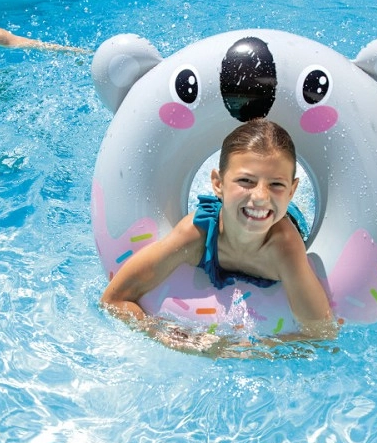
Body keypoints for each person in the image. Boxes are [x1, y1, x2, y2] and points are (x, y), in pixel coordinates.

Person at [101, 118, 336, 347]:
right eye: (246, 180)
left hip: (283, 217)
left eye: (276, 184)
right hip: (234, 212)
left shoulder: (285, 250)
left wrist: (241, 350)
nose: (260, 196)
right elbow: (114, 298)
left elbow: (320, 334)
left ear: (292, 190)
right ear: (217, 183)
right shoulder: (196, 234)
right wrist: (165, 335)